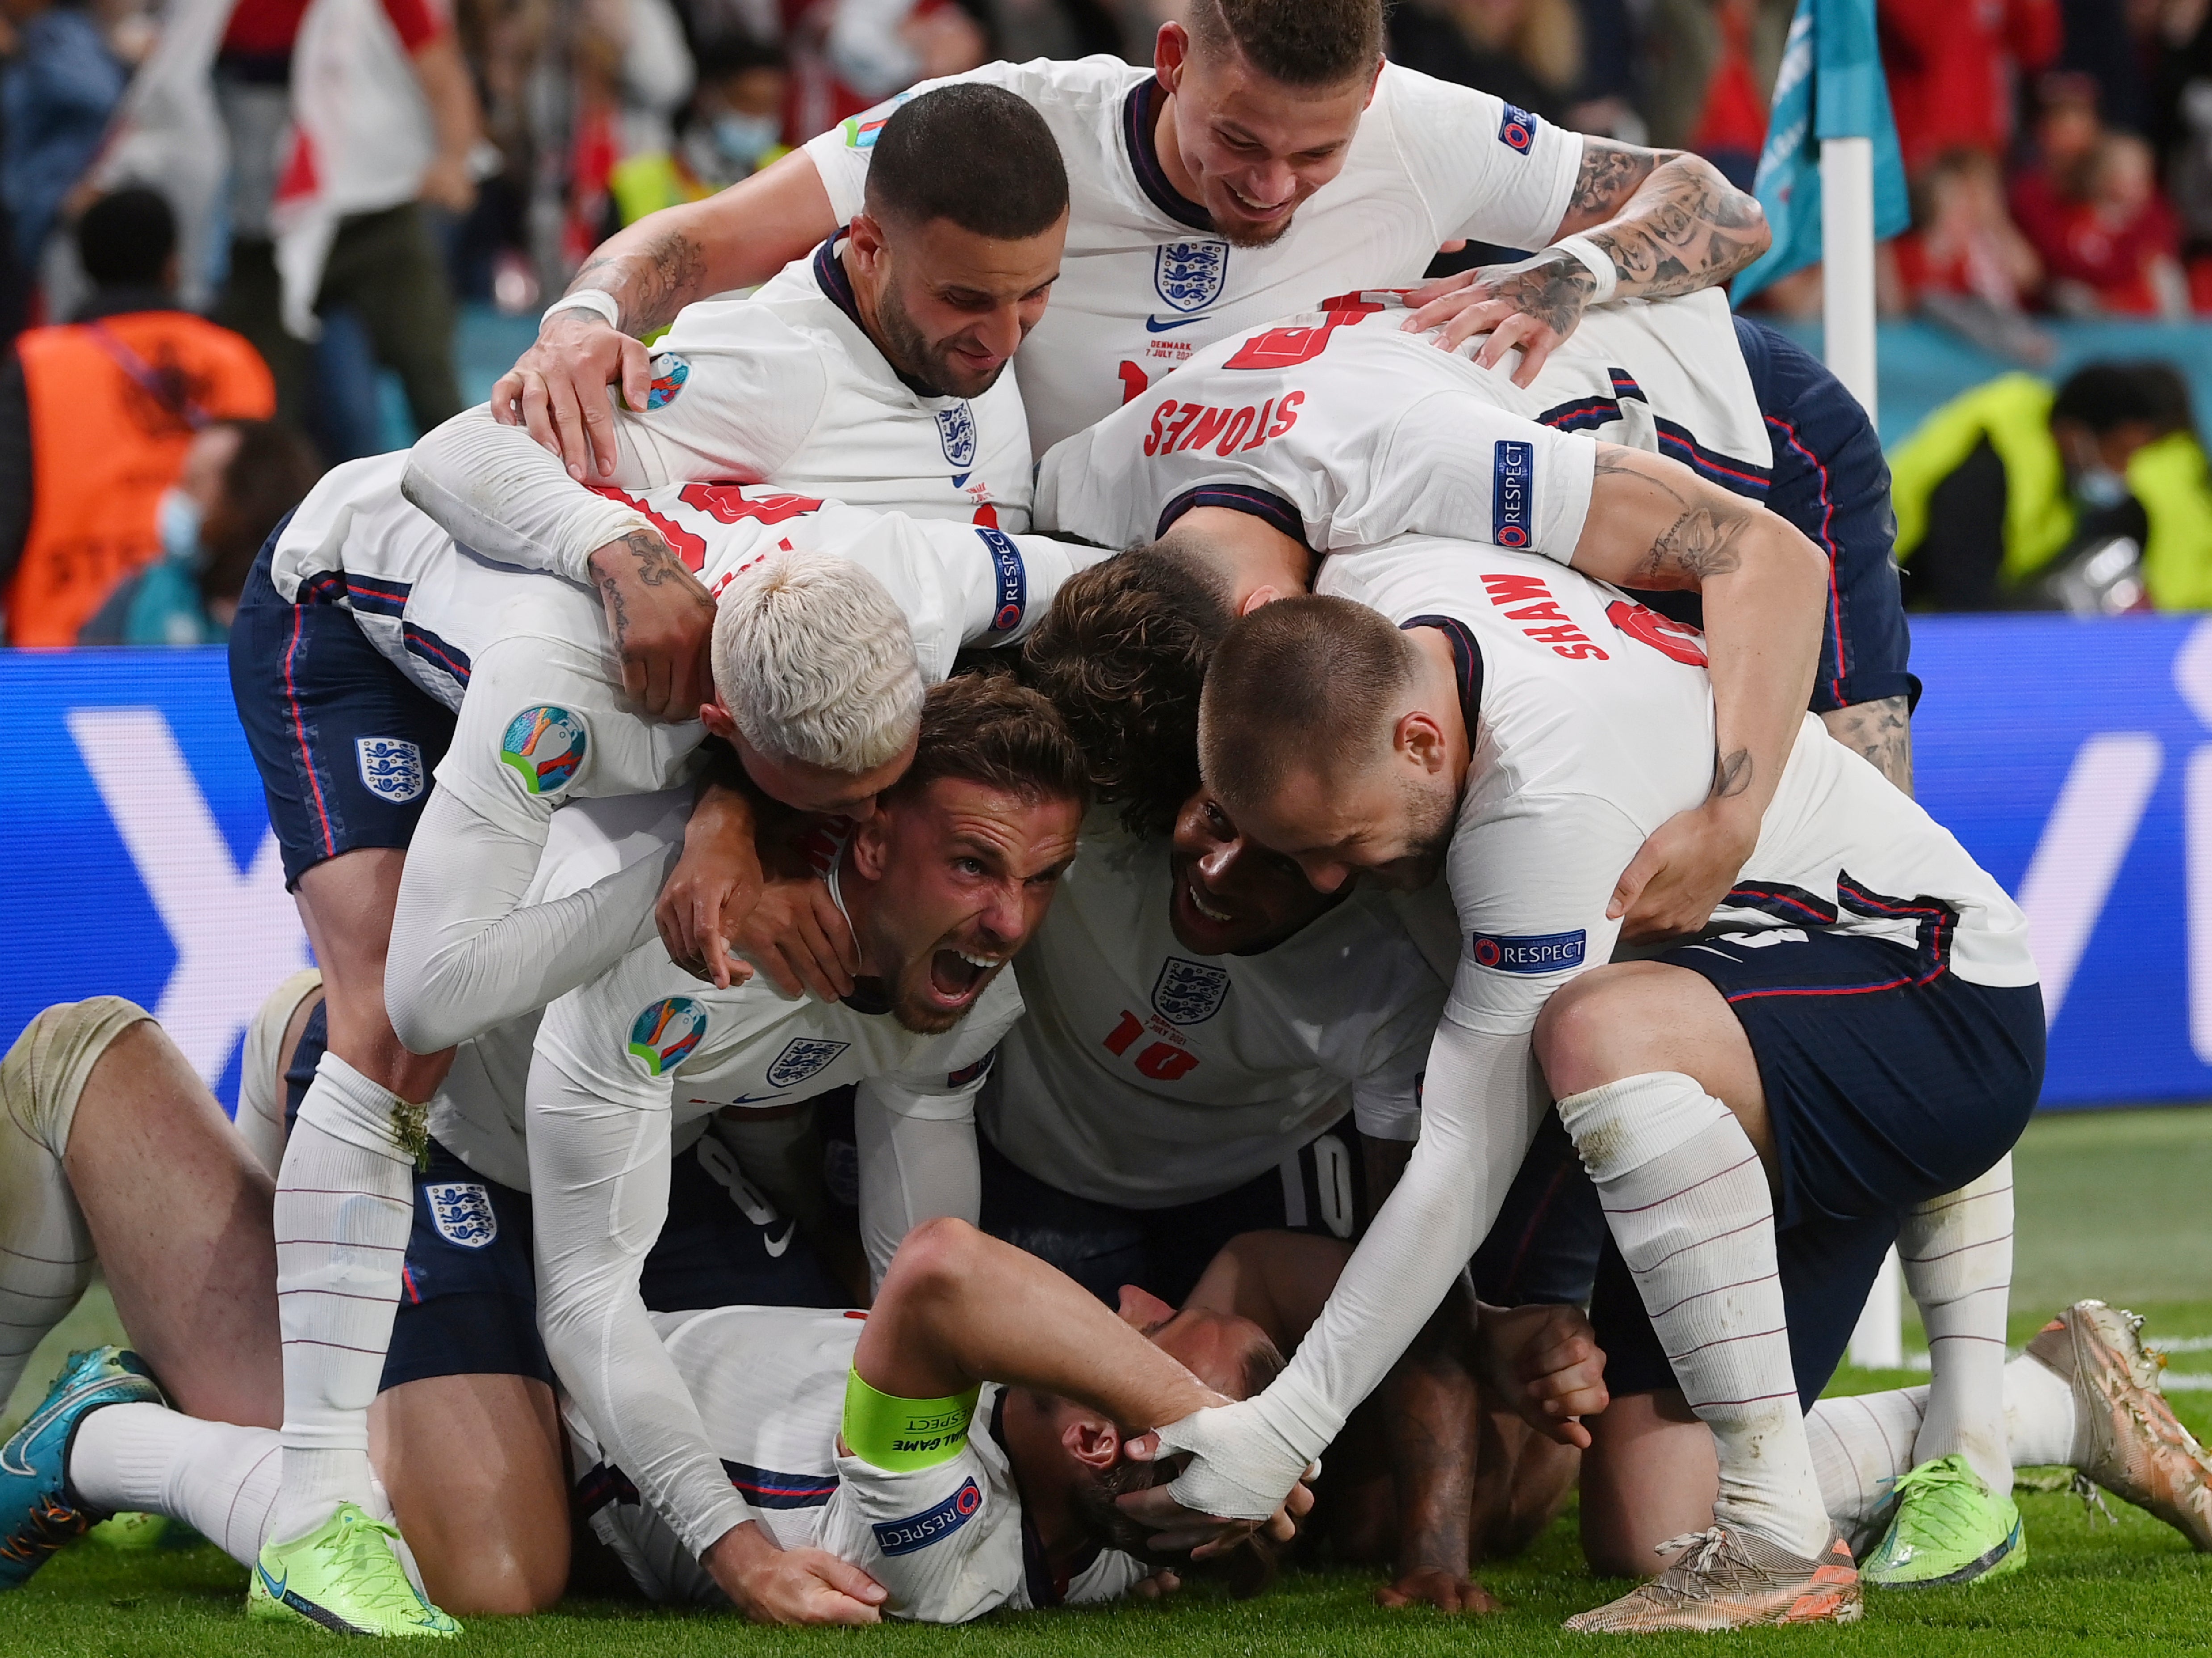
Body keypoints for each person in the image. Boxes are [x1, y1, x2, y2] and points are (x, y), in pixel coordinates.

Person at [1136, 507, 2041, 1624]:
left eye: (1335, 843)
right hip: (1768, 1001)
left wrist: (1286, 1426)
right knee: (1644, 1521)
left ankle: (1774, 1543)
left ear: (1420, 741)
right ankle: (2044, 1406)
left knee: (1590, 1027)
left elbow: (1468, 1149)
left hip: (1940, 999)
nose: (1321, 883)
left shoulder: (1541, 802)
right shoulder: (1394, 586)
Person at [228, 461, 1090, 1632]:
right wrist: (672, 872)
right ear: (733, 736)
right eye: (839, 812)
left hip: (618, 1126)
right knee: (389, 1023)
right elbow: (435, 1000)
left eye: (880, 791)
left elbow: (1137, 581)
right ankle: (291, 1489)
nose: (850, 831)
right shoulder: (567, 697)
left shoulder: (910, 590)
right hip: (340, 610)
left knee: (625, 1412)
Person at [0, 987, 1305, 1621]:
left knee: (489, 1569)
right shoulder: (1116, 1540)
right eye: (1136, 1343)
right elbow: (1259, 1272)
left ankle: (100, 1427)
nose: (1121, 1322)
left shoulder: (944, 1553)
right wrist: (1258, 1438)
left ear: (1097, 1453)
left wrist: (1196, 1416)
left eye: (1125, 1385)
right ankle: (315, 1103)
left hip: (563, 1350)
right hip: (674, 1263)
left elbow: (946, 1277)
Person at [494, 0, 1772, 476]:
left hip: (1313, 567)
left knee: (1785, 392)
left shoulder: (1425, 128)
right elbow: (711, 237)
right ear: (1173, 60)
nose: (1273, 187)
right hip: (1050, 554)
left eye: (1317, 156)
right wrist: (585, 319)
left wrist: (1571, 271)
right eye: (1240, 142)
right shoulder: (1010, 123)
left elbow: (1717, 205)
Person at [0, 188, 274, 646]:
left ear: (84, 268)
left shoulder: (35, 367)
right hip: (214, 653)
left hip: (57, 659)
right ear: (173, 264)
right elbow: (273, 511)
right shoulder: (235, 360)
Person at [1890, 359, 2212, 611]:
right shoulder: (1986, 472)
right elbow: (1961, 601)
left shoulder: (2056, 480)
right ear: (2075, 436)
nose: (2125, 471)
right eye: (2120, 452)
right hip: (1889, 617)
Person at [78, 419, 322, 646]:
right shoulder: (142, 598)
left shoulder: (319, 616)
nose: (175, 500)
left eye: (194, 483)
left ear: (251, 502)